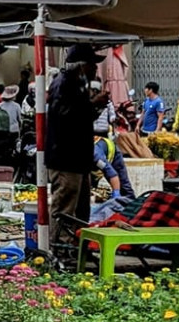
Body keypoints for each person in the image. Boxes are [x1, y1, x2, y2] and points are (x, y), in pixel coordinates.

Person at [45, 47, 104, 242]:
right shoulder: (64, 84)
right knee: (64, 208)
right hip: (66, 158)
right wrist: (93, 103)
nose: (96, 68)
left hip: (79, 160)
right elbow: (67, 118)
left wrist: (97, 106)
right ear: (81, 66)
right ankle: (60, 250)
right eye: (92, 64)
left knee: (80, 210)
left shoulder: (78, 84)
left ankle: (77, 249)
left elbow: (83, 119)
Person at [92, 121, 132, 196]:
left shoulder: (95, 155)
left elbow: (112, 174)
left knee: (124, 186)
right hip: (96, 158)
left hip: (114, 154)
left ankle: (130, 200)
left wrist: (116, 193)